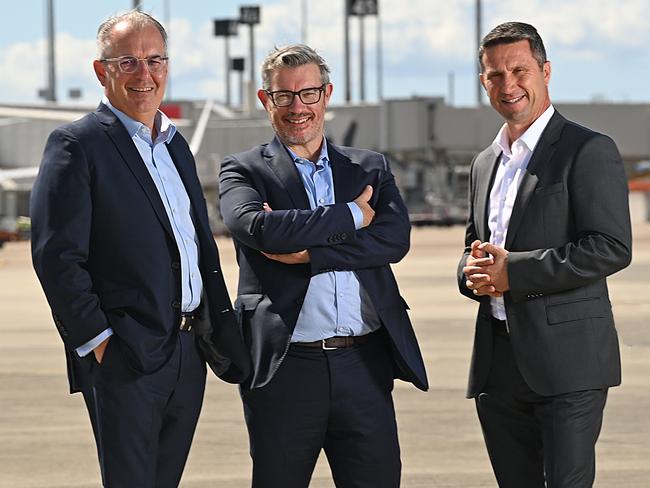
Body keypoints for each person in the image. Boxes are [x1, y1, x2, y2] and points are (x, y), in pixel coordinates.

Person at [30, 10, 250, 488]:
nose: (144, 74)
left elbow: (195, 244)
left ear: (167, 66)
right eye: (127, 62)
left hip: (188, 350)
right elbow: (56, 256)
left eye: (154, 60)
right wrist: (99, 343)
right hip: (126, 356)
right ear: (101, 71)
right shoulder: (76, 145)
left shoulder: (175, 147)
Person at [218, 44, 428, 488]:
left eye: (308, 94)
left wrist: (313, 254)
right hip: (285, 368)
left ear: (326, 94)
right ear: (265, 100)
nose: (298, 107)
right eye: (284, 96)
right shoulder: (242, 170)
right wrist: (352, 216)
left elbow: (394, 239)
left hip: (365, 364)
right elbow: (260, 230)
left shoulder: (369, 167)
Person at [457, 22, 632, 488]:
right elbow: (474, 244)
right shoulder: (483, 162)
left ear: (545, 71)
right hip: (498, 366)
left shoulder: (587, 149)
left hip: (569, 364)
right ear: (483, 82)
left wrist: (513, 271)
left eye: (520, 70)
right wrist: (470, 271)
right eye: (495, 75)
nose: (508, 84)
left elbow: (611, 246)